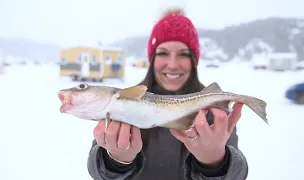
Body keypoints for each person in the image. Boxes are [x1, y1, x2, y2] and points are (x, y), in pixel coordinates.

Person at [87, 7, 248, 180]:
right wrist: (117, 161)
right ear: (152, 59)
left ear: (194, 61)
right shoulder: (125, 99)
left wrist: (214, 162)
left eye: (183, 54)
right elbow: (97, 169)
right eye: (163, 53)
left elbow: (238, 173)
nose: (172, 64)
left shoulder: (214, 108)